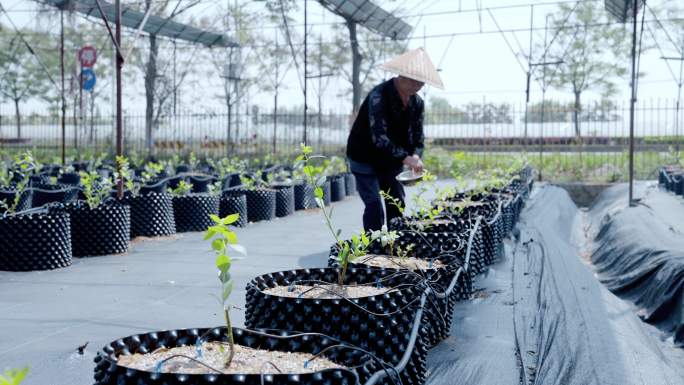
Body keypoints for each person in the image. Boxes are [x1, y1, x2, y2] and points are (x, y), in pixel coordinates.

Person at [346, 47, 444, 231]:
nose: (420, 85)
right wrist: (404, 157)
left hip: (391, 160)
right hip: (364, 156)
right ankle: (373, 247)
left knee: (396, 201)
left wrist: (416, 156)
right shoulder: (379, 96)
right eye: (416, 80)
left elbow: (418, 136)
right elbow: (379, 138)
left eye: (422, 81)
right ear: (402, 76)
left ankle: (395, 243)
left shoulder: (417, 103)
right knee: (374, 203)